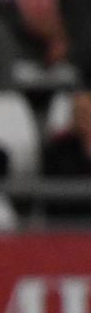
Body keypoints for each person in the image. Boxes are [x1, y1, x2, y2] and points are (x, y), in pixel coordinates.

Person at [39, 88, 91, 217]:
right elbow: (54, 189)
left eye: (86, 112)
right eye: (76, 112)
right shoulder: (57, 148)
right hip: (68, 215)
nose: (81, 116)